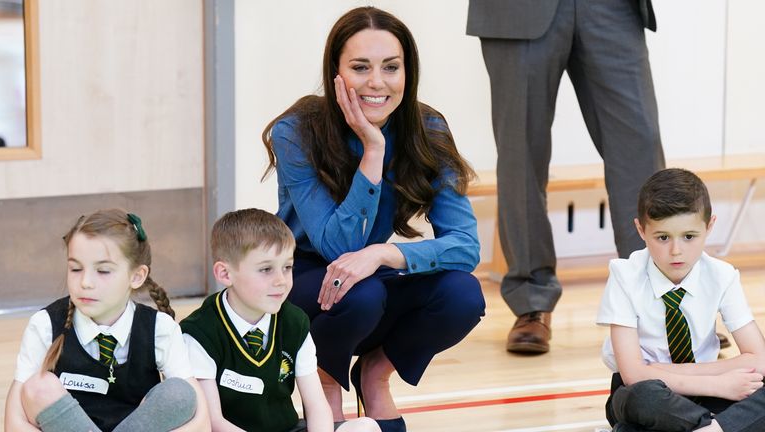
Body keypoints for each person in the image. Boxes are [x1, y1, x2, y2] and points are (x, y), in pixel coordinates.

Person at [262, 7, 486, 431]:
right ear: (336, 73)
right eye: (360, 67)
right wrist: (373, 149)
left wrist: (385, 254)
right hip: (302, 279)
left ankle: (374, 373)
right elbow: (336, 248)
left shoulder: (428, 128)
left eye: (391, 67)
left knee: (462, 295)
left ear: (408, 72)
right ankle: (326, 380)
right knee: (360, 294)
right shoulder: (296, 130)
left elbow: (466, 246)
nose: (377, 82)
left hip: (368, 270)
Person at [466, 0, 666, 354]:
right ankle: (531, 300)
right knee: (521, 155)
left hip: (613, 8)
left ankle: (661, 300)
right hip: (517, 12)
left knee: (640, 147)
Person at [4, 209, 209, 432]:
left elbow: (200, 423)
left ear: (136, 276)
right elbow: (14, 423)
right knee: (38, 387)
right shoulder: (45, 324)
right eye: (75, 268)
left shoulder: (160, 329)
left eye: (103, 271)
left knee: (180, 392)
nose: (86, 282)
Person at [181, 208, 379, 432]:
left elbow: (316, 405)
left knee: (366, 427)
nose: (281, 281)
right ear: (225, 274)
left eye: (287, 267)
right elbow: (213, 422)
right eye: (266, 269)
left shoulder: (295, 322)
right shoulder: (199, 333)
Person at [596, 168, 765, 431]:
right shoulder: (624, 276)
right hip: (649, 394)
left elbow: (758, 359)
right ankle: (722, 426)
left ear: (709, 226)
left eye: (689, 236)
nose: (676, 251)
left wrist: (661, 370)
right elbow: (634, 375)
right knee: (644, 398)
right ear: (641, 230)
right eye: (663, 237)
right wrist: (718, 384)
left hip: (707, 391)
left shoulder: (723, 275)